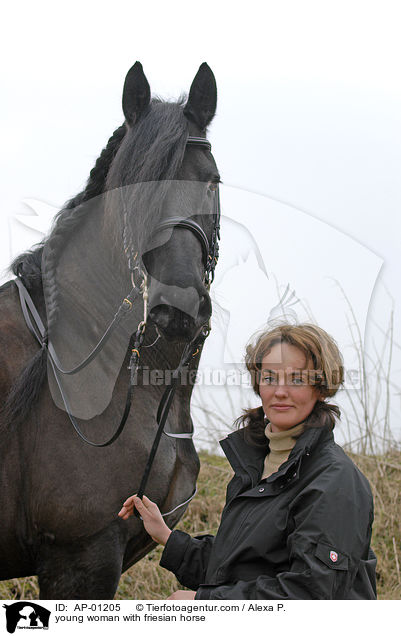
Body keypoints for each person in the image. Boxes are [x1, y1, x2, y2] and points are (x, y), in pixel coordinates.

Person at [118, 323, 377, 600]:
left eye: (297, 379)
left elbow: (312, 595)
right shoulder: (259, 465)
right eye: (269, 377)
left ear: (321, 388)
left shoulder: (335, 481)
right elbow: (239, 568)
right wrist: (167, 537)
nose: (280, 391)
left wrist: (205, 603)